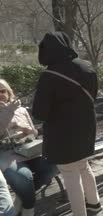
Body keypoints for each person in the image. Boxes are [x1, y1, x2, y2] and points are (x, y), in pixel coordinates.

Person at [32, 32, 102, 215]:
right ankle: (94, 204)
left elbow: (39, 113)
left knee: (70, 173)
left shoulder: (49, 75)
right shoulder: (86, 66)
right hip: (86, 127)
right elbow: (92, 97)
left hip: (63, 134)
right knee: (83, 167)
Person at [0, 79, 58, 216]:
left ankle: (23, 196)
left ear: (8, 92)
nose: (0, 94)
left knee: (52, 166)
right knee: (24, 177)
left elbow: (34, 132)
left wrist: (27, 130)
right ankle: (29, 208)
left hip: (29, 149)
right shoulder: (11, 109)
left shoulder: (20, 110)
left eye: (2, 91)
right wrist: (8, 112)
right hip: (7, 153)